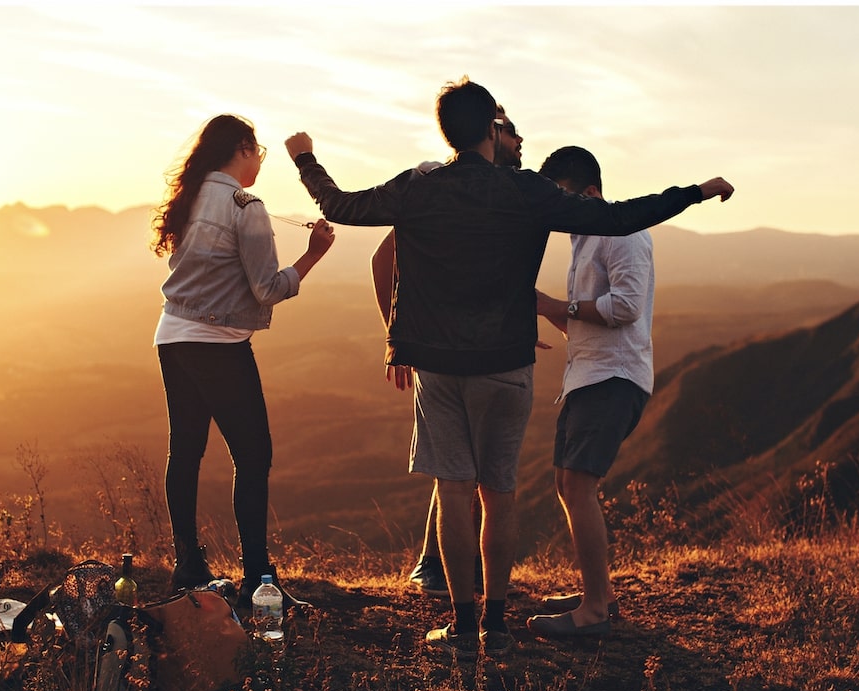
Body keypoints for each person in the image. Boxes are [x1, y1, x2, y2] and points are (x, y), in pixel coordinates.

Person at [285, 76, 733, 660]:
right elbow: (620, 217)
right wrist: (694, 191)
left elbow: (342, 206)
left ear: (447, 131)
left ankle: (464, 628)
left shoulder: (420, 187)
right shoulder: (523, 191)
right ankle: (497, 625)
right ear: (493, 130)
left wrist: (305, 159)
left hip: (440, 365)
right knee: (500, 495)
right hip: (507, 363)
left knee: (454, 494)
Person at [151, 114, 335, 612]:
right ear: (242, 149)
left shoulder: (190, 196)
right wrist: (314, 254)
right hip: (219, 344)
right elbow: (268, 288)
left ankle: (188, 565)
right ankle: (258, 579)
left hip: (172, 336)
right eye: (259, 153)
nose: (259, 164)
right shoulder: (245, 206)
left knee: (186, 451)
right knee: (254, 456)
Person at [371, 105, 525, 599]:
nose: (521, 142)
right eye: (511, 131)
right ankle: (437, 569)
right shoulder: (437, 185)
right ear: (489, 133)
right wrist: (398, 338)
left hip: (479, 347)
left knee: (464, 470)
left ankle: (452, 577)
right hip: (443, 350)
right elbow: (383, 258)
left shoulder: (500, 193)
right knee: (458, 471)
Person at [526, 146, 657, 638]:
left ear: (591, 192)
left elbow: (624, 307)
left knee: (578, 485)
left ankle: (596, 610)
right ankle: (595, 591)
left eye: (561, 196)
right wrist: (543, 308)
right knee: (567, 484)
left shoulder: (620, 232)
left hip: (614, 378)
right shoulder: (583, 238)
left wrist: (559, 304)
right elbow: (582, 320)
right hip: (587, 375)